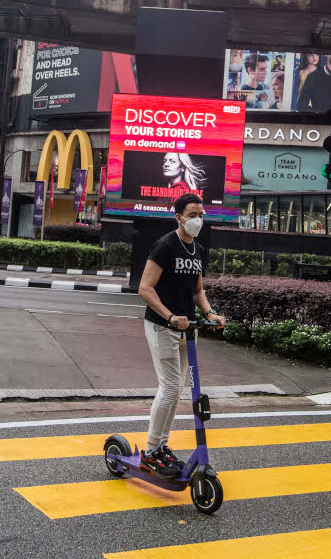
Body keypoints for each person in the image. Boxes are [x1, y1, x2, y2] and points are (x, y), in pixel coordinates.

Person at [137, 193, 225, 479]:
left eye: (201, 214)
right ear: (178, 217)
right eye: (191, 214)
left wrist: (210, 313)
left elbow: (198, 291)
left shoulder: (197, 249)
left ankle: (160, 447)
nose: (197, 219)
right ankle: (151, 451)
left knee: (175, 391)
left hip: (187, 329)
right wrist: (170, 316)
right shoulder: (165, 246)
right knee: (172, 387)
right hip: (163, 326)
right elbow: (145, 288)